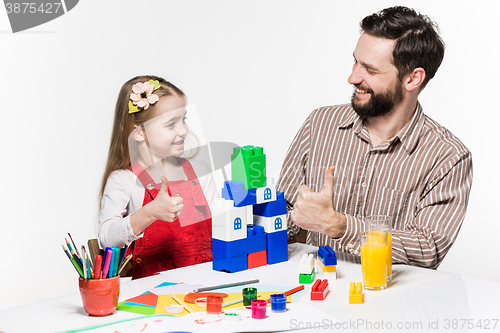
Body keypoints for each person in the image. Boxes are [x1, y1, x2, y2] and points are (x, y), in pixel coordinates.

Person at [277, 6, 473, 269]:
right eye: (355, 61)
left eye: (370, 69)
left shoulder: (448, 157)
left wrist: (339, 226)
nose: (353, 77)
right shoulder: (319, 124)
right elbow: (283, 214)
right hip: (315, 296)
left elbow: (428, 248)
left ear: (413, 79)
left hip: (391, 301)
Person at [98, 75, 217, 279]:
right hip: (153, 296)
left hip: (206, 284)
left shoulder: (199, 172)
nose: (183, 131)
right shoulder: (124, 180)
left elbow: (218, 232)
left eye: (183, 120)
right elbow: (106, 238)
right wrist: (148, 214)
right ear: (140, 133)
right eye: (171, 124)